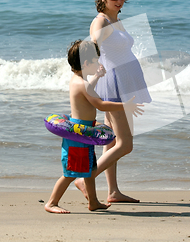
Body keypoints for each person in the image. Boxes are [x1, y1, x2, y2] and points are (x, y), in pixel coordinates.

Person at [74, 0, 151, 203]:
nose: (119, 0)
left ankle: (113, 191)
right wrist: (95, 53)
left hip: (123, 82)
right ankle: (85, 178)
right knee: (125, 144)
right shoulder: (101, 21)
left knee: (111, 139)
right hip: (114, 84)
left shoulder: (114, 20)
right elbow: (94, 40)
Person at [44, 40, 144, 214]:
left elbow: (89, 92)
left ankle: (94, 202)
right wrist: (124, 105)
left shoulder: (78, 81)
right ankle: (51, 203)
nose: (99, 63)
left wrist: (97, 76)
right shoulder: (82, 84)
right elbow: (101, 105)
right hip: (77, 136)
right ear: (86, 63)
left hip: (84, 134)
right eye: (96, 61)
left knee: (90, 170)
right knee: (70, 173)